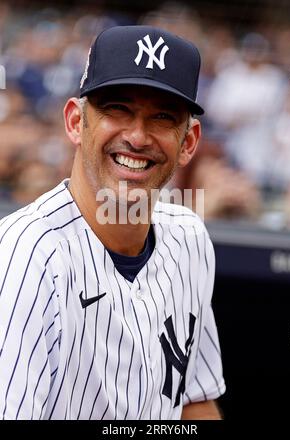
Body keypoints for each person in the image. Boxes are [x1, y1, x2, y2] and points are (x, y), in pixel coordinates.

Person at [0, 25, 225, 420]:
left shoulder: (190, 237)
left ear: (188, 143)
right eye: (117, 109)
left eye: (161, 117)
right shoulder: (28, 256)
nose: (138, 137)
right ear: (75, 122)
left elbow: (194, 400)